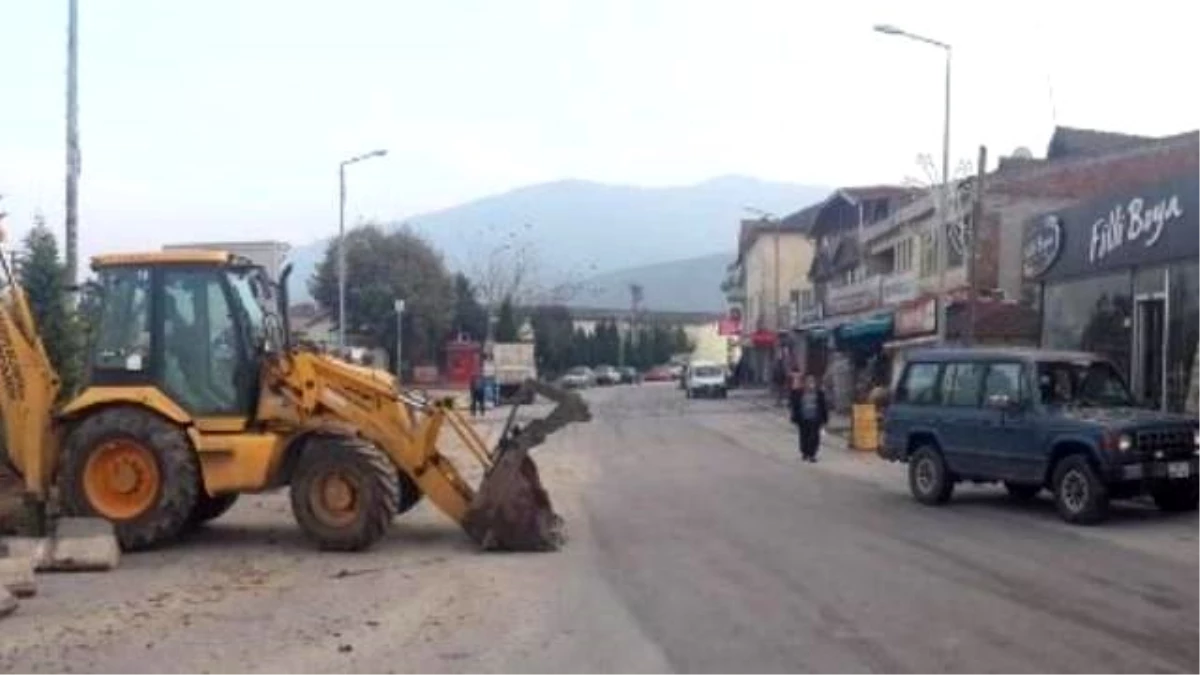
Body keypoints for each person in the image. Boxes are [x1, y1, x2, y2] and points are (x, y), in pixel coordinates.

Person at [790, 373, 829, 463]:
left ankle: (812, 454)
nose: (811, 384)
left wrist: (825, 419)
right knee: (804, 436)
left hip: (815, 418)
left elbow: (823, 406)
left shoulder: (819, 393)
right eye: (808, 382)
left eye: (812, 382)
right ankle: (805, 452)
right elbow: (794, 404)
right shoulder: (800, 393)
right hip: (803, 418)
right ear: (805, 383)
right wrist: (794, 417)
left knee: (814, 437)